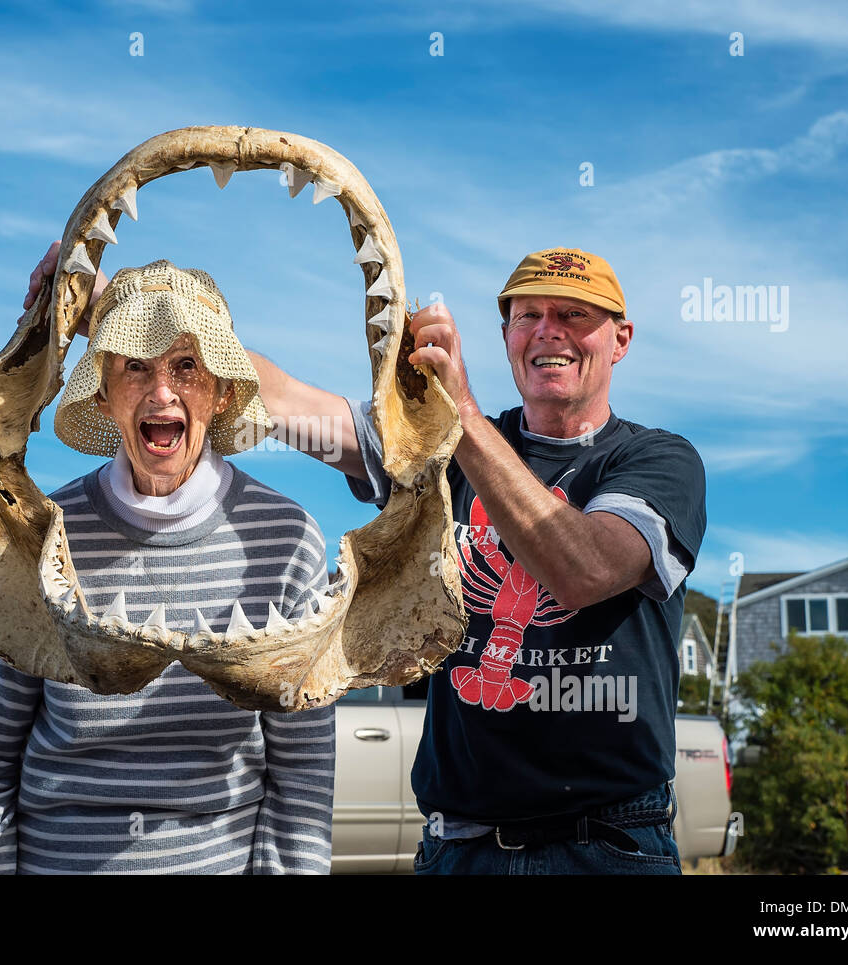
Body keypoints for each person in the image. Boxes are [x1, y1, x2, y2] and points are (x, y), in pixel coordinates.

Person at [253, 247, 707, 874]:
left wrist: (458, 410)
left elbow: (583, 571)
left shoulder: (658, 461)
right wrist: (132, 312)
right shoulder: (439, 450)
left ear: (620, 339)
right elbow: (283, 403)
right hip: (460, 847)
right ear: (506, 336)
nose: (550, 330)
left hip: (606, 845)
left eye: (575, 315)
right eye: (529, 316)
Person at [0, 258, 335, 874]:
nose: (161, 392)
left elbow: (303, 775)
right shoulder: (43, 533)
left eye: (186, 366)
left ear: (223, 390)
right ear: (101, 392)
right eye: (134, 367)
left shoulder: (286, 540)